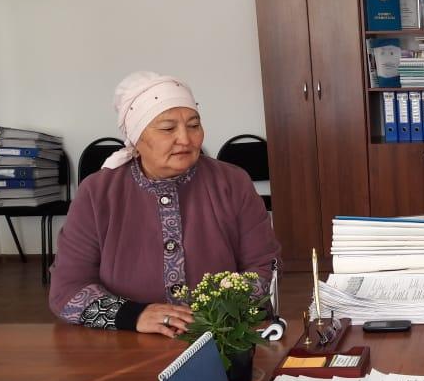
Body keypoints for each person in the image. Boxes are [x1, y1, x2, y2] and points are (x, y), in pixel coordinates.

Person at [49, 71, 280, 338]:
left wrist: (216, 315)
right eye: (168, 128)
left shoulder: (232, 182)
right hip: (126, 340)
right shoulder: (97, 192)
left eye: (194, 125)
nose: (186, 138)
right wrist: (134, 315)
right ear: (136, 136)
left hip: (221, 337)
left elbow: (265, 268)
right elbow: (67, 291)